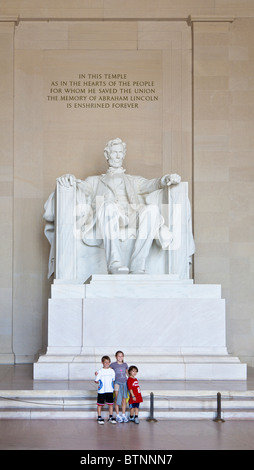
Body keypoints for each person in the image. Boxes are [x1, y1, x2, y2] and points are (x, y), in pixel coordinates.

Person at [56, 138, 182, 275]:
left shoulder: (134, 180)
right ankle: (114, 263)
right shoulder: (94, 181)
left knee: (152, 210)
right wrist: (70, 179)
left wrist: (166, 179)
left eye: (120, 152)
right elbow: (82, 187)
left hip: (132, 215)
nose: (117, 156)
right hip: (109, 214)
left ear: (124, 154)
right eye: (114, 152)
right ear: (107, 155)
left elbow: (152, 184)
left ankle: (138, 264)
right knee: (108, 207)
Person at [94, 355, 116, 425]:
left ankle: (110, 417)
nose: (107, 364)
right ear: (102, 362)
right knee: (100, 404)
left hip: (109, 390)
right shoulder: (100, 371)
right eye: (105, 362)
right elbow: (96, 380)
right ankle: (99, 417)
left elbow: (113, 380)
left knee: (111, 404)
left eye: (108, 362)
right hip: (102, 391)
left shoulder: (112, 371)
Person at [110, 351, 129, 423]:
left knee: (124, 399)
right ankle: (118, 415)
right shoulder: (113, 365)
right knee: (117, 398)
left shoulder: (125, 364)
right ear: (116, 357)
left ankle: (123, 414)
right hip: (117, 383)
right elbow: (108, 371)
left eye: (121, 356)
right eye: (119, 356)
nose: (120, 357)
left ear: (123, 357)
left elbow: (127, 374)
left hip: (124, 383)